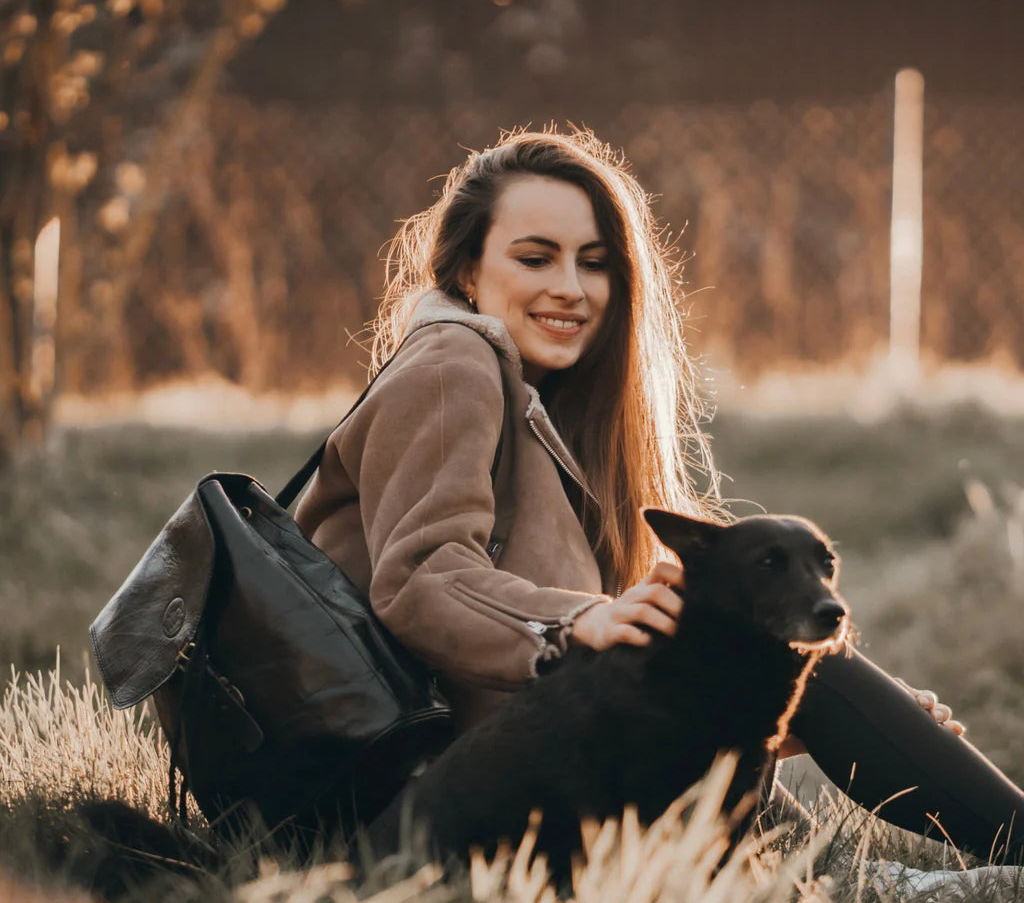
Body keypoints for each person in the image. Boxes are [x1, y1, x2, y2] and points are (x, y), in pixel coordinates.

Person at [295, 127, 1024, 862]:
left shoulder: (540, 408)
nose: (570, 288)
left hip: (516, 779)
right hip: (412, 806)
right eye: (534, 257)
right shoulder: (452, 362)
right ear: (466, 271)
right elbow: (422, 577)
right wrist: (576, 620)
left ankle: (833, 879)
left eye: (596, 263)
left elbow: (615, 703)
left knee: (801, 664)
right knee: (826, 670)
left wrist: (851, 723)